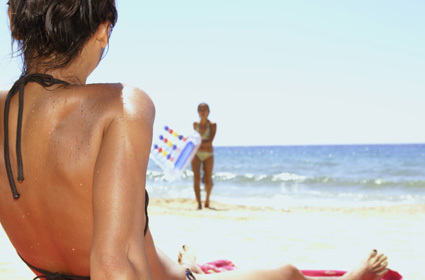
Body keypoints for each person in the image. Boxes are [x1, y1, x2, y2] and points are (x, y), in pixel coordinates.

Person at [0, 1, 390, 280]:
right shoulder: (118, 105)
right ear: (102, 29)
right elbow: (114, 265)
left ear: (13, 23)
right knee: (286, 273)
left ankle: (190, 263)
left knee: (177, 260)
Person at [191, 103, 217, 209]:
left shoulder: (212, 125)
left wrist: (198, 143)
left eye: (205, 109)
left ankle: (207, 200)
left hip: (208, 154)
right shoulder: (195, 125)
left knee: (207, 179)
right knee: (196, 178)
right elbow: (193, 140)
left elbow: (210, 142)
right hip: (196, 154)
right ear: (197, 111)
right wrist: (200, 143)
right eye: (201, 109)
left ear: (209, 111)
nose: (203, 112)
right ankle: (199, 203)